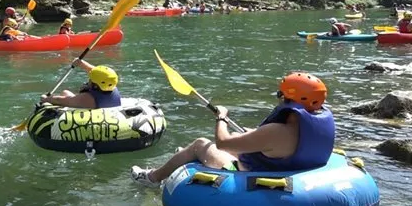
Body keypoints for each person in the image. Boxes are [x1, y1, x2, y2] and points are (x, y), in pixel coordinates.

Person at [130, 73, 335, 187]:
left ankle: (152, 178)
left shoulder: (275, 132)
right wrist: (250, 133)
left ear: (288, 98)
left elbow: (222, 143)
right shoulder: (319, 122)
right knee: (239, 135)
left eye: (280, 94)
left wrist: (221, 118)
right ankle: (183, 159)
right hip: (294, 168)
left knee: (201, 144)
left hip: (258, 176)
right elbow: (272, 141)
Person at [40, 59, 122, 109]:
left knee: (65, 94)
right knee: (65, 92)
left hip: (87, 110)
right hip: (105, 108)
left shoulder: (87, 99)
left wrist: (46, 99)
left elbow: (61, 100)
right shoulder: (111, 85)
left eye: (91, 80)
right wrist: (82, 64)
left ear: (95, 85)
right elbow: (99, 73)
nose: (89, 80)